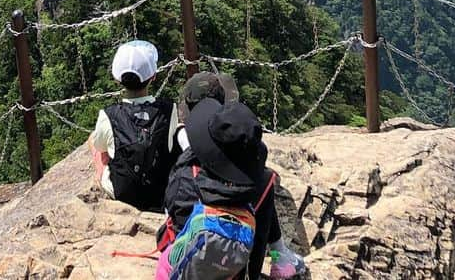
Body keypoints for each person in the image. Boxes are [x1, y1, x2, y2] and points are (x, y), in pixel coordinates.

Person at [164, 83, 306, 280]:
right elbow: (265, 235)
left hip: (188, 270)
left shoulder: (186, 175)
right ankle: (279, 258)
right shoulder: (263, 182)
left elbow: (172, 224)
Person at [89, 39, 179, 210]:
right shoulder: (169, 109)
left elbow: (100, 147)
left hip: (123, 194)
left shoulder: (108, 115)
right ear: (153, 77)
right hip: (159, 193)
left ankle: (100, 175)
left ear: (117, 80)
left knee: (94, 139)